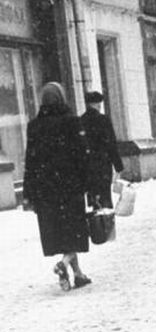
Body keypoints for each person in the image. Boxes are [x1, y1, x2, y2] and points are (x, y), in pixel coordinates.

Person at [22, 81, 91, 291]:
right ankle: (65, 263)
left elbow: (30, 160)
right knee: (74, 230)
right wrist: (89, 182)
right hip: (70, 186)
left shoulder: (34, 126)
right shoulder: (72, 122)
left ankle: (77, 274)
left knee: (60, 232)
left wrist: (29, 193)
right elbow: (82, 156)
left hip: (45, 190)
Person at [80, 90, 123, 209]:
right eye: (98, 103)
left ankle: (96, 214)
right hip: (103, 164)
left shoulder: (81, 121)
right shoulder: (103, 120)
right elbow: (111, 144)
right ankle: (107, 216)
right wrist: (118, 165)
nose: (100, 106)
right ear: (95, 104)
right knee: (105, 195)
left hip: (88, 165)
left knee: (93, 196)